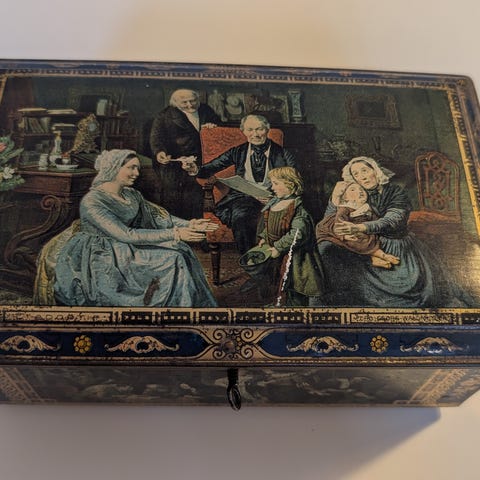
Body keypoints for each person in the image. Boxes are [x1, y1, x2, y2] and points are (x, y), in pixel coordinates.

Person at [54, 149, 218, 308]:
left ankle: (190, 308)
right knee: (173, 258)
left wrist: (189, 224)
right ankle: (179, 309)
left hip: (126, 246)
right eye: (131, 168)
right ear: (114, 168)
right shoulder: (93, 201)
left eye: (137, 168)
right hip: (102, 254)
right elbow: (126, 234)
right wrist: (175, 233)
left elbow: (158, 217)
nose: (136, 173)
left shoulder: (131, 194)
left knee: (182, 250)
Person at [316, 156, 470, 307]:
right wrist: (334, 200)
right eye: (356, 174)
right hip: (365, 246)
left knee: (413, 292)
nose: (362, 177)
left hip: (396, 246)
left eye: (364, 170)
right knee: (326, 249)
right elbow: (330, 219)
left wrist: (361, 227)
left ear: (375, 171)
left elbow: (393, 220)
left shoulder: (395, 192)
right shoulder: (355, 194)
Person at [183, 114, 296, 254]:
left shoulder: (283, 154)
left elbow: (294, 181)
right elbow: (209, 168)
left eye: (259, 129)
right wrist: (193, 168)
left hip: (275, 197)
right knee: (240, 217)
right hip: (243, 197)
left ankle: (270, 260)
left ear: (267, 129)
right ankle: (249, 259)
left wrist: (275, 197)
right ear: (243, 131)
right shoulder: (238, 152)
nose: (255, 134)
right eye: (250, 130)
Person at [240, 167, 324, 306]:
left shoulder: (297, 209)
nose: (272, 187)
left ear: (290, 184)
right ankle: (278, 305)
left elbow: (297, 234)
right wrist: (264, 237)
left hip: (294, 255)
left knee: (293, 283)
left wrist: (279, 247)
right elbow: (269, 224)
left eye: (276, 183)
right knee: (277, 281)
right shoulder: (275, 203)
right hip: (275, 252)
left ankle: (294, 309)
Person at [149, 88, 221, 218]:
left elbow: (219, 128)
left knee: (197, 200)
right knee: (174, 202)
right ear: (175, 103)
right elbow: (156, 138)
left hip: (200, 163)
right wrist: (159, 152)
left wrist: (213, 127)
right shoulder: (165, 116)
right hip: (175, 165)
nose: (190, 105)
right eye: (185, 102)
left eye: (193, 101)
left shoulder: (206, 110)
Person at [315, 180, 400, 269]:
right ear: (345, 198)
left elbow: (375, 220)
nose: (359, 191)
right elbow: (339, 222)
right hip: (339, 231)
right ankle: (375, 258)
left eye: (362, 189)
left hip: (359, 230)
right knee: (355, 241)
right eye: (353, 190)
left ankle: (381, 255)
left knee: (371, 238)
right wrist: (344, 236)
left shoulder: (367, 207)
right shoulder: (346, 208)